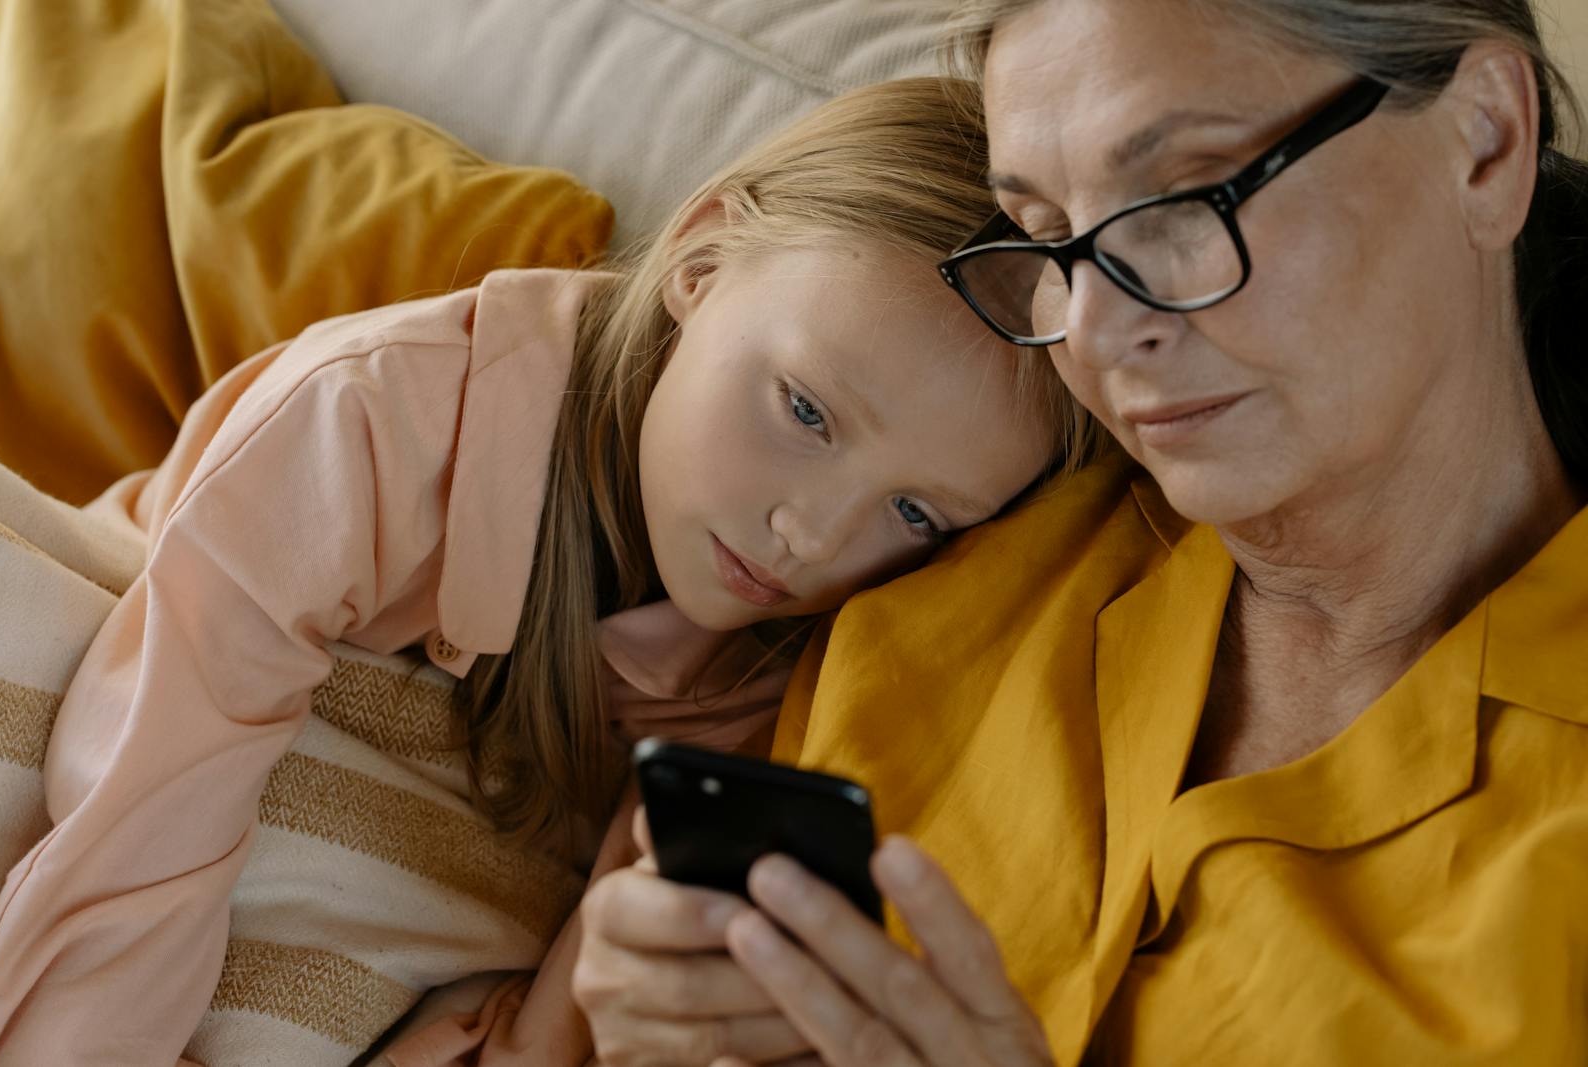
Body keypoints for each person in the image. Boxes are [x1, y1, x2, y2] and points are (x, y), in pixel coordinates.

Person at [0, 77, 1090, 1066]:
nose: (812, 534)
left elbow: (556, 1021)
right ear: (701, 262)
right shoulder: (377, 414)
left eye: (915, 509)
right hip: (143, 716)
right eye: (804, 409)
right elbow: (141, 813)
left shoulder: (812, 658)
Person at [570, 1, 1588, 1064]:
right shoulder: (937, 581)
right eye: (1049, 240)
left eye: (1185, 200)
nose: (1096, 330)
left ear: (1485, 142)